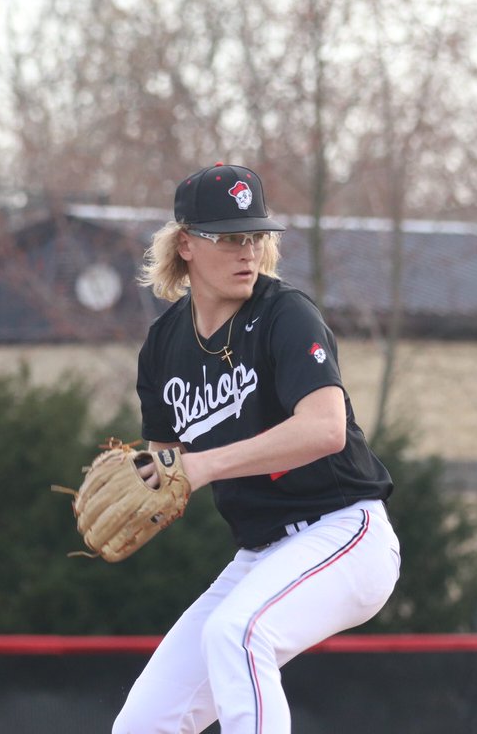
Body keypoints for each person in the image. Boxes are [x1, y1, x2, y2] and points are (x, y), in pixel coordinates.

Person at [112, 162, 401, 734]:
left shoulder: (284, 314)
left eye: (255, 235)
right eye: (228, 238)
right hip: (260, 554)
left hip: (345, 531)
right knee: (145, 723)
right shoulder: (164, 345)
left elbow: (325, 429)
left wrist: (201, 466)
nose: (247, 251)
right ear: (187, 243)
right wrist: (147, 488)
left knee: (238, 633)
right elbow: (171, 468)